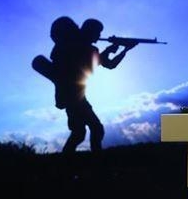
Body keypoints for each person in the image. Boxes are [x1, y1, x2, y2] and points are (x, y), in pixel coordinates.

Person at [55, 18, 135, 155]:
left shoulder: (83, 47)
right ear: (90, 31)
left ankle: (67, 161)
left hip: (74, 96)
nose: (99, 36)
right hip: (73, 96)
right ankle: (96, 160)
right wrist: (119, 49)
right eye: (97, 32)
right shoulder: (79, 47)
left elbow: (107, 63)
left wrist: (122, 49)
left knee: (79, 133)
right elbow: (102, 63)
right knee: (94, 129)